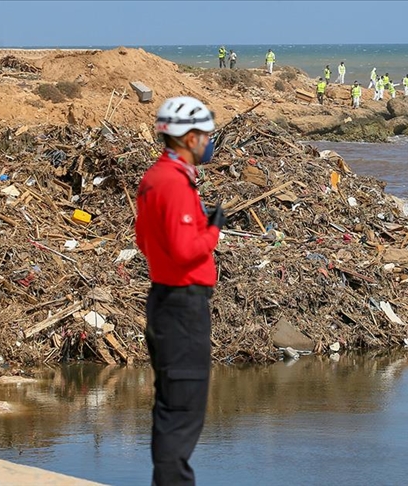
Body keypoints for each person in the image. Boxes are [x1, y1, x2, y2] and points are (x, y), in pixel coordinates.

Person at [136, 96, 224, 486]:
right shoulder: (173, 182)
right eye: (206, 135)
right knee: (184, 411)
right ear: (189, 138)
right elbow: (186, 250)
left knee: (171, 406)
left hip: (164, 299)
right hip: (182, 304)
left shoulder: (155, 177)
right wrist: (213, 230)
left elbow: (144, 240)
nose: (209, 142)